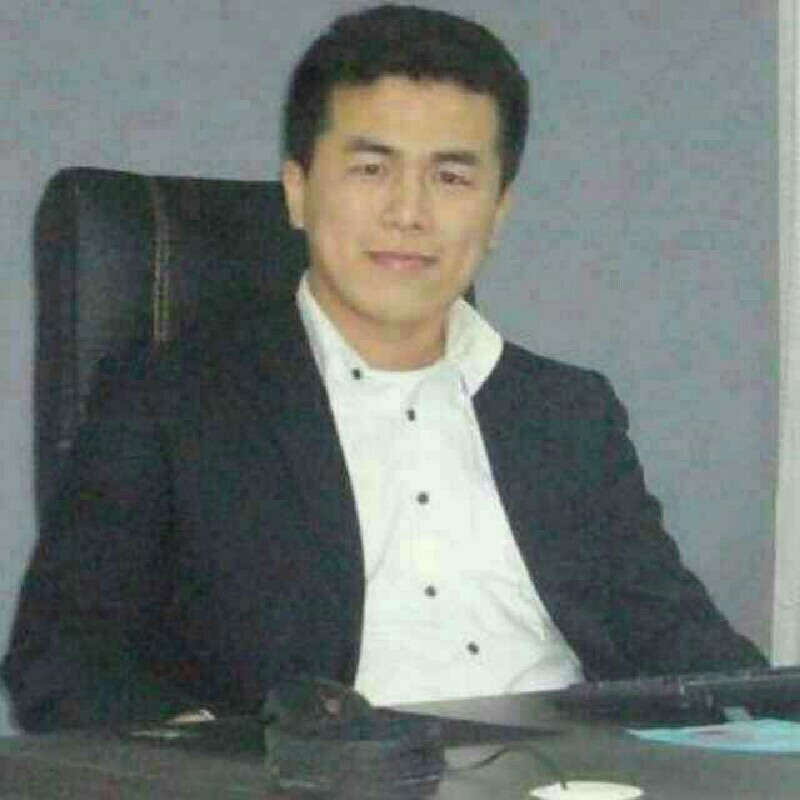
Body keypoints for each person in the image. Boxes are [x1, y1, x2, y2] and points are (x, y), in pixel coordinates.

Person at [2, 4, 765, 732]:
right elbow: (63, 660)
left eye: (452, 178)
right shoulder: (171, 400)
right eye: (371, 169)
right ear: (298, 191)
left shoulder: (566, 412)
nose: (409, 212)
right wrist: (212, 761)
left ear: (498, 211)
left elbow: (683, 645)